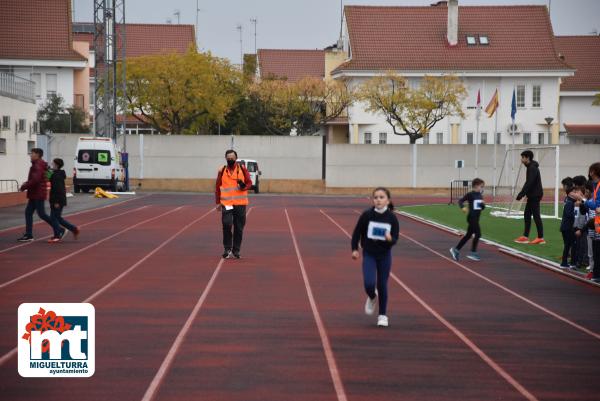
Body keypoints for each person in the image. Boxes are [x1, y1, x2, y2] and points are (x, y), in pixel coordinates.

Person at [351, 187, 399, 328]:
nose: (378, 199)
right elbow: (356, 233)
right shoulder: (367, 215)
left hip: (384, 255)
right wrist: (354, 249)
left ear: (388, 200)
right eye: (376, 197)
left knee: (382, 284)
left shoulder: (392, 218)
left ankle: (383, 315)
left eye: (381, 197)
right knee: (369, 283)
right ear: (373, 200)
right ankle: (372, 296)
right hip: (369, 254)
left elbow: (395, 238)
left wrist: (390, 239)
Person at [215, 149, 252, 259]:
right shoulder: (222, 170)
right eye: (228, 157)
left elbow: (249, 183)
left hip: (240, 203)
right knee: (226, 224)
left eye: (232, 157)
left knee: (239, 227)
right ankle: (227, 248)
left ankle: (236, 250)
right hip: (226, 203)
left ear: (236, 158)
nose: (230, 159)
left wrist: (243, 186)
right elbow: (217, 187)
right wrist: (217, 202)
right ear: (226, 158)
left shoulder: (242, 169)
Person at [17, 148, 60, 242]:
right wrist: (26, 184)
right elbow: (35, 179)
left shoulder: (38, 165)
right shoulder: (38, 164)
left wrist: (24, 186)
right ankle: (29, 234)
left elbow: (35, 180)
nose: (30, 155)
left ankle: (59, 229)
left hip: (38, 193)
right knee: (29, 213)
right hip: (35, 193)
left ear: (37, 155)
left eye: (32, 153)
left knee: (42, 214)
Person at [514, 150, 545, 245]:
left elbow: (529, 182)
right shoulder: (530, 167)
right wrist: (523, 193)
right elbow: (529, 182)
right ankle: (525, 237)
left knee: (536, 215)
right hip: (532, 195)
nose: (521, 159)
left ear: (527, 158)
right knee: (527, 214)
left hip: (535, 195)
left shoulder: (532, 168)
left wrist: (521, 194)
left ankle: (540, 238)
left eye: (523, 157)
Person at [450, 178, 485, 262]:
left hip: (477, 218)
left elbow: (482, 207)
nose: (482, 188)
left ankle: (456, 250)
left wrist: (482, 205)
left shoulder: (480, 195)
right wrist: (463, 207)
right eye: (481, 186)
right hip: (471, 217)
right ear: (476, 186)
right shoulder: (470, 194)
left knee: (468, 235)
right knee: (478, 234)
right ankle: (473, 253)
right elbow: (460, 201)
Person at [47, 158, 80, 243]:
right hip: (56, 199)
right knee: (57, 218)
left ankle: (57, 235)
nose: (51, 165)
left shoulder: (57, 176)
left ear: (56, 165)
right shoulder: (56, 173)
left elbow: (59, 189)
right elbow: (47, 178)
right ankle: (73, 229)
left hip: (57, 199)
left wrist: (57, 202)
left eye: (53, 164)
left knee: (54, 218)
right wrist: (46, 170)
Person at [559, 177, 576, 269]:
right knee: (569, 244)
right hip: (567, 226)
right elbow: (569, 214)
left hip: (565, 226)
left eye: (563, 185)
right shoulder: (569, 199)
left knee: (569, 244)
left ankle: (567, 261)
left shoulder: (568, 198)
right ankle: (566, 262)